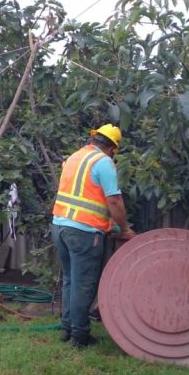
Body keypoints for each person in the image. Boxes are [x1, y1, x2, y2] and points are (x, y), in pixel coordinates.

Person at [51, 124, 136, 348]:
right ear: (112, 149)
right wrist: (125, 228)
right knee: (83, 285)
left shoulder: (74, 157)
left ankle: (66, 328)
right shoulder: (103, 163)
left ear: (94, 139)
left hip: (60, 226)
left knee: (70, 280)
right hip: (84, 233)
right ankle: (80, 336)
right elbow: (114, 201)